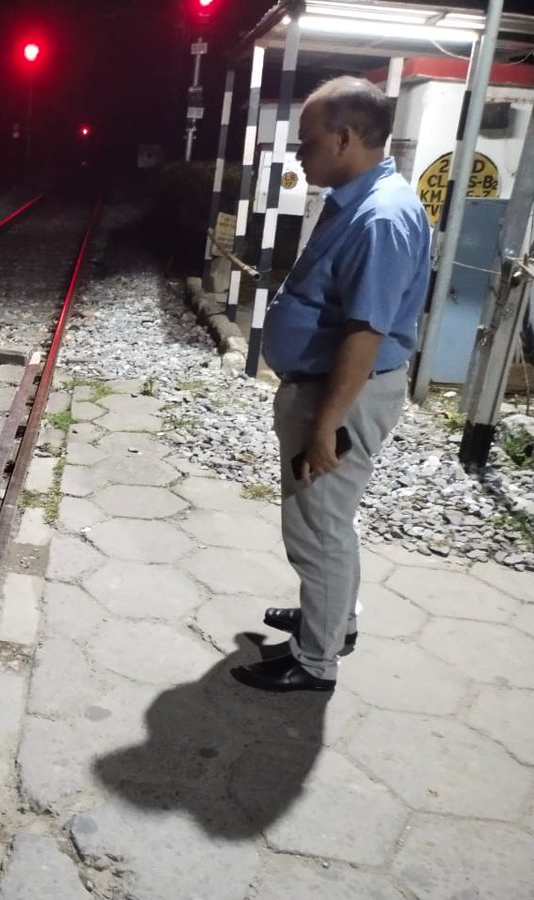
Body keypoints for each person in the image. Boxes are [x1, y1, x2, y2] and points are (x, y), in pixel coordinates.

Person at [230, 76, 432, 693]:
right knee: (330, 522)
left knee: (315, 530)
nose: (299, 153)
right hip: (329, 387)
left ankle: (315, 661)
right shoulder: (361, 200)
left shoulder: (379, 218)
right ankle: (332, 621)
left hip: (337, 395)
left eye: (308, 141)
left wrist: (324, 426)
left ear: (345, 138)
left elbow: (365, 334)